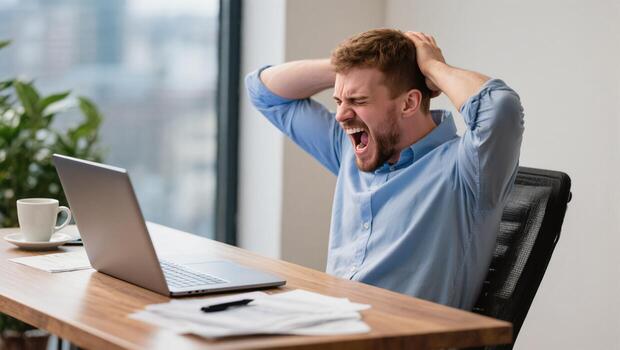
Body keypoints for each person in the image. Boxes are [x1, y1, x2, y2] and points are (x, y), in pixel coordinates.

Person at [245, 29, 524, 310]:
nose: (341, 115)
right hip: (328, 324)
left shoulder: (468, 169)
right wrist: (347, 69)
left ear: (409, 103)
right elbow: (263, 92)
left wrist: (432, 66)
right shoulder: (350, 148)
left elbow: (501, 108)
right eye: (339, 101)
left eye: (358, 101)